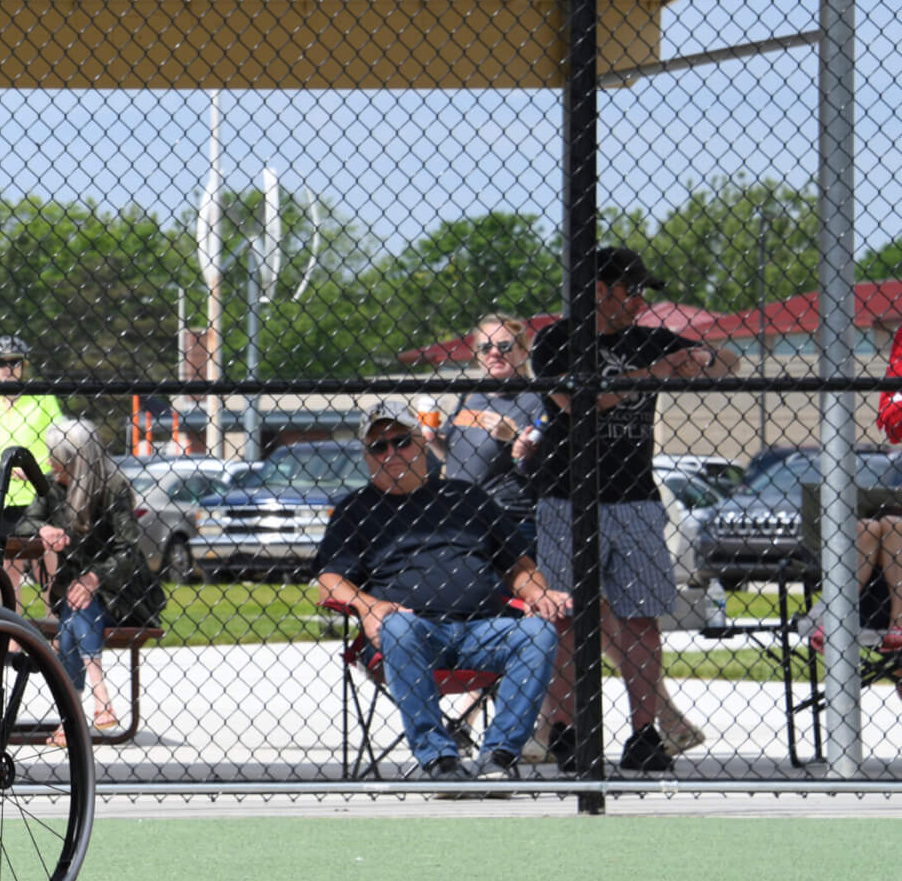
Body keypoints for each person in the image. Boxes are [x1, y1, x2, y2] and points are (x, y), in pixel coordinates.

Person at [527, 246, 738, 774]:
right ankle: (567, 731)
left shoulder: (648, 338)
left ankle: (645, 734)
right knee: (566, 618)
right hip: (569, 497)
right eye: (633, 290)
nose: (642, 301)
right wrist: (655, 372)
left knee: (641, 617)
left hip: (636, 497)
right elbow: (576, 404)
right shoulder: (557, 340)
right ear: (600, 290)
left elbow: (733, 362)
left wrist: (703, 359)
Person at [315, 400, 570, 788]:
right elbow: (329, 580)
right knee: (397, 625)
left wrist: (538, 593)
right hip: (411, 635)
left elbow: (518, 564)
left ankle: (497, 756)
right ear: (366, 457)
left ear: (421, 443)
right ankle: (440, 760)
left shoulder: (466, 497)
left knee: (538, 633)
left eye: (401, 441)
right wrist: (368, 607)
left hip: (483, 631)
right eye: (378, 447)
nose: (392, 453)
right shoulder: (356, 510)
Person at [37, 416, 161, 733]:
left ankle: (70, 717)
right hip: (77, 596)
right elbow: (25, 523)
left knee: (76, 605)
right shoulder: (53, 489)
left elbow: (130, 550)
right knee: (77, 604)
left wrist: (94, 578)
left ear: (76, 461)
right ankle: (98, 693)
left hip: (120, 595)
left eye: (58, 457)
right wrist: (42, 528)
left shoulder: (114, 488)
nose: (51, 462)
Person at [441, 314, 545, 566]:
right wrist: (433, 439)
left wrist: (512, 438)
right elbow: (451, 456)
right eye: (485, 347)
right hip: (459, 515)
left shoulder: (536, 397)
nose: (494, 353)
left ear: (523, 351)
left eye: (504, 346)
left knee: (513, 601)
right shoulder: (470, 396)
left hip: (509, 520)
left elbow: (547, 464)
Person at [0, 335, 60, 526]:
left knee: (38, 550)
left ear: (23, 365)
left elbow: (61, 443)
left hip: (38, 493)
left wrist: (38, 472)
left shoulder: (43, 398)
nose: (8, 368)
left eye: (15, 362)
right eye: (1, 363)